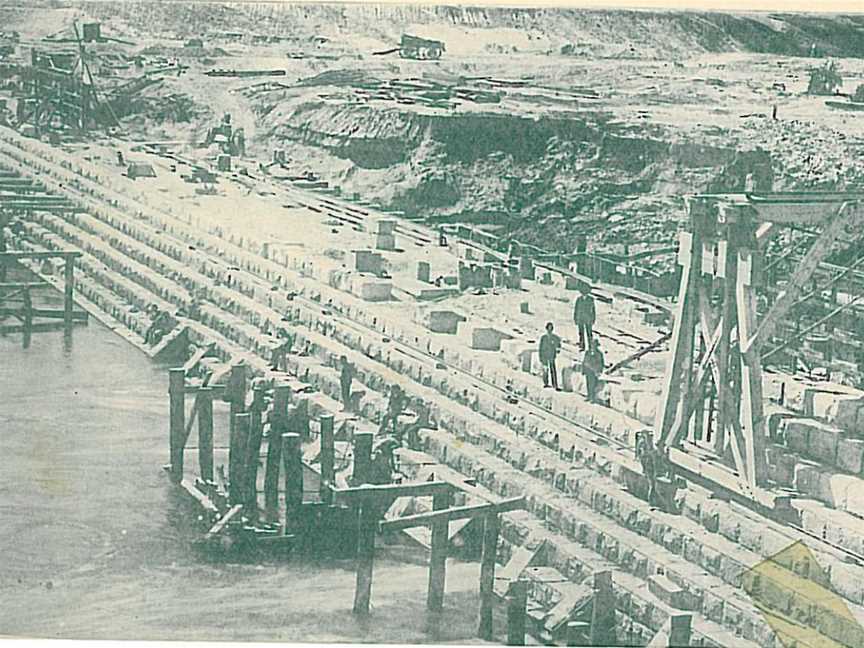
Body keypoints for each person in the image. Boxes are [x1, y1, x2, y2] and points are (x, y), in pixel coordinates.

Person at [538, 322, 562, 390]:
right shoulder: (543, 338)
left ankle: (555, 384)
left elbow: (558, 345)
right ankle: (546, 383)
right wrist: (540, 356)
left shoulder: (555, 337)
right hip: (544, 355)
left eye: (551, 328)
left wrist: (557, 349)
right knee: (545, 370)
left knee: (553, 370)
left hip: (551, 355)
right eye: (549, 328)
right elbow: (540, 348)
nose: (550, 330)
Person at [582, 338, 605, 403]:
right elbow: (584, 361)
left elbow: (601, 363)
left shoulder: (599, 354)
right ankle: (589, 395)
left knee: (593, 384)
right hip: (588, 370)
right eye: (592, 344)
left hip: (594, 371)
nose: (593, 346)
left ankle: (593, 397)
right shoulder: (588, 352)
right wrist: (583, 370)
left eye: (594, 345)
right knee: (588, 384)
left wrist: (599, 370)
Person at [573, 286, 596, 350]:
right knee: (581, 333)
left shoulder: (590, 299)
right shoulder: (579, 299)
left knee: (589, 334)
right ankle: (582, 346)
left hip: (588, 319)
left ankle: (590, 346)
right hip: (580, 319)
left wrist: (593, 319)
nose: (584, 293)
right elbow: (576, 309)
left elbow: (593, 310)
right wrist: (575, 318)